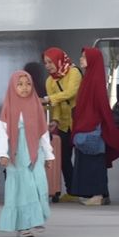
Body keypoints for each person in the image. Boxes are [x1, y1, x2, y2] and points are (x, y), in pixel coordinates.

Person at [0, 71, 55, 237]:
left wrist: (49, 155)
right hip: (17, 155)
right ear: (13, 87)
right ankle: (24, 226)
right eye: (20, 84)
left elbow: (43, 132)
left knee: (39, 185)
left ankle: (36, 218)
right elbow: (2, 131)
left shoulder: (36, 104)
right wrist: (2, 153)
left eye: (28, 84)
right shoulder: (9, 106)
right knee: (23, 190)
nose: (25, 88)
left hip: (35, 153)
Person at [70, 47, 119, 206]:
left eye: (84, 57)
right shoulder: (90, 78)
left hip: (91, 128)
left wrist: (103, 125)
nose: (81, 59)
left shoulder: (93, 81)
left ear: (92, 60)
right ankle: (98, 194)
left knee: (92, 162)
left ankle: (97, 194)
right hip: (89, 127)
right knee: (92, 162)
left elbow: (100, 105)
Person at [42, 47, 81, 202]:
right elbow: (57, 105)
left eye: (50, 62)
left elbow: (71, 92)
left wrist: (48, 99)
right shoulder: (50, 81)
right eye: (45, 63)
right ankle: (71, 190)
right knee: (64, 158)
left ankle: (84, 189)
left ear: (59, 60)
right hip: (65, 124)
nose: (48, 66)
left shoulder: (74, 72)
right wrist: (55, 120)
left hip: (79, 121)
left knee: (81, 157)